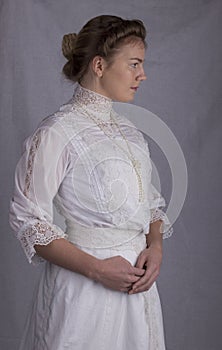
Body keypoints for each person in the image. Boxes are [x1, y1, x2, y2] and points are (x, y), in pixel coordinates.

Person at [9, 15, 172, 350]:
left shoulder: (130, 133)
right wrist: (97, 270)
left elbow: (151, 204)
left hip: (138, 292)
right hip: (84, 291)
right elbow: (29, 222)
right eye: (134, 64)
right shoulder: (56, 132)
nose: (142, 75)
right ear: (99, 65)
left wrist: (155, 247)